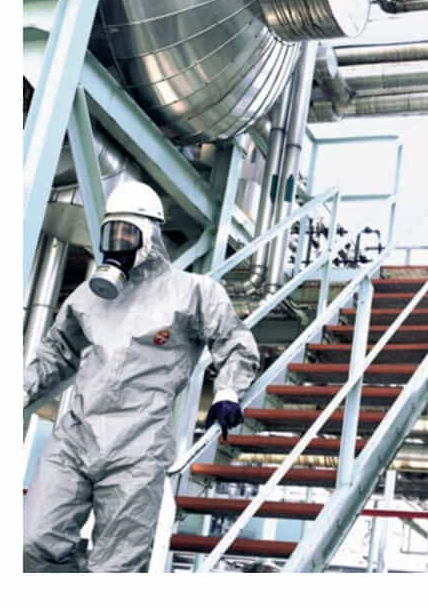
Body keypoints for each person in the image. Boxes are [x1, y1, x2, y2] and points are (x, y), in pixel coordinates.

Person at [23, 180, 259, 572]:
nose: (117, 245)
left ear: (150, 237)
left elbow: (234, 340)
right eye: (110, 234)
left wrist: (227, 391)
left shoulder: (192, 292)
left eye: (126, 234)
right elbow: (57, 351)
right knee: (32, 541)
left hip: (138, 448)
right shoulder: (88, 297)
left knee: (116, 567)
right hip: (75, 437)